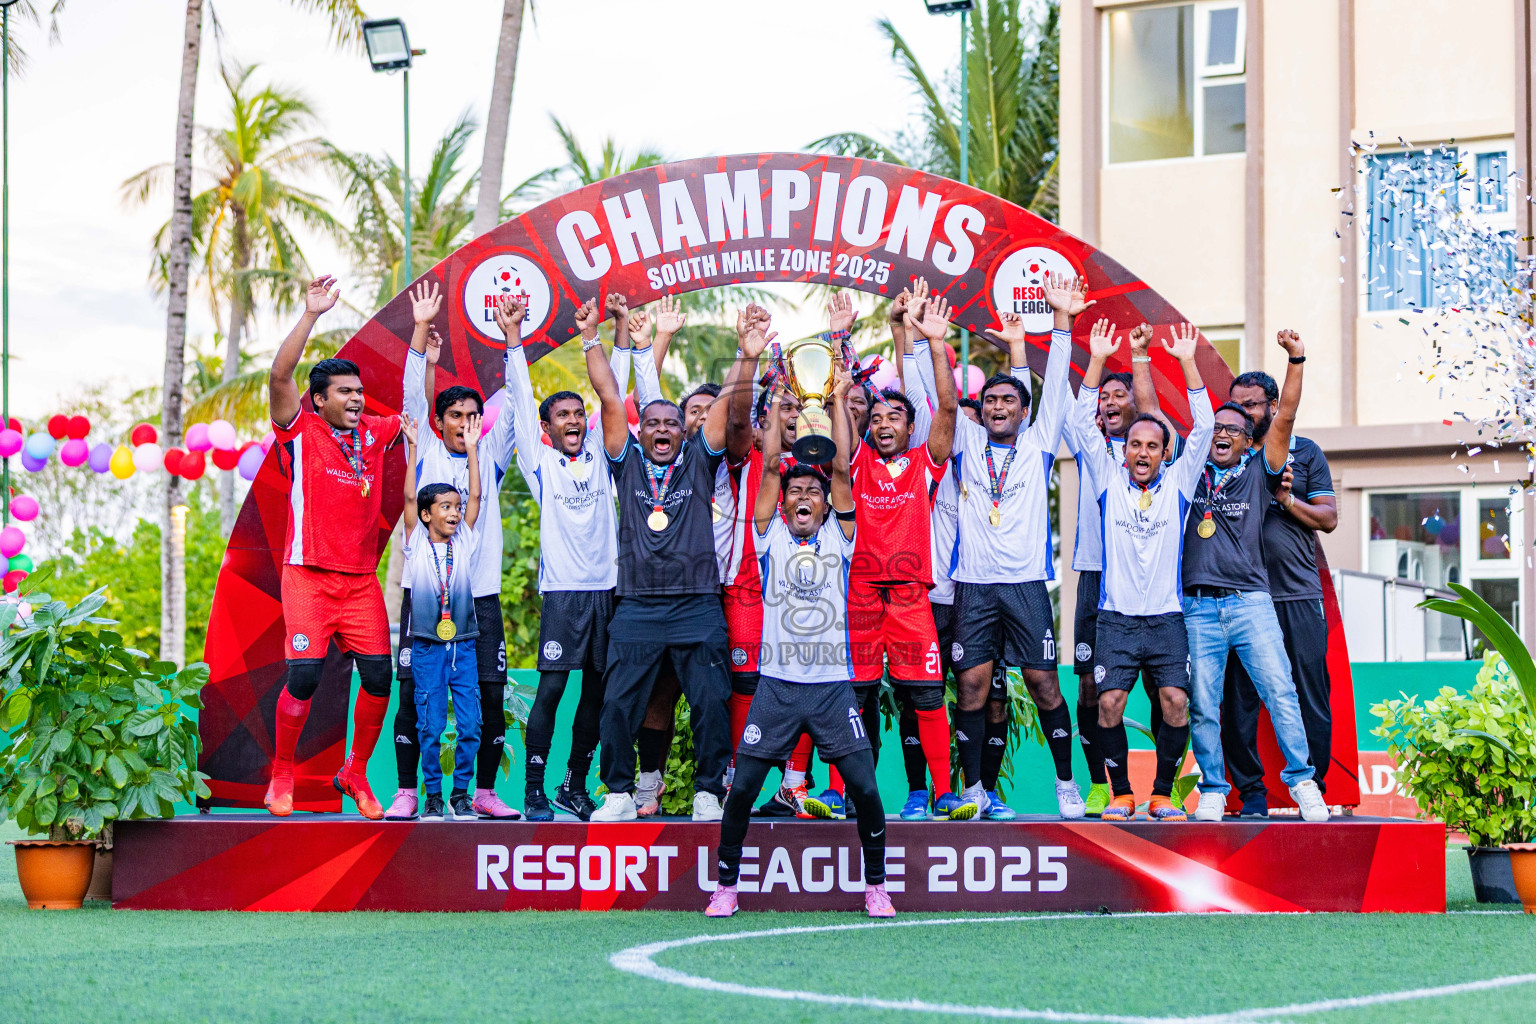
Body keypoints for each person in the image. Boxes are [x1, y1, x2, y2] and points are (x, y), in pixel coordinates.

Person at [707, 365, 894, 919]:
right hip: (778, 690)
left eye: (814, 490)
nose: (807, 495)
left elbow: (840, 467)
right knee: (740, 792)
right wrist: (773, 402)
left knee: (864, 789)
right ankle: (726, 887)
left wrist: (837, 399)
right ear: (784, 504)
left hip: (833, 691)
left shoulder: (839, 534)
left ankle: (876, 887)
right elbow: (767, 468)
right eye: (797, 491)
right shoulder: (768, 539)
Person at [587, 298, 758, 822]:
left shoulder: (700, 465)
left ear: (685, 432)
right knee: (618, 704)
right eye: (653, 424)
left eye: (671, 424)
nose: (662, 430)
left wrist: (744, 354)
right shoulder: (626, 464)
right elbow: (610, 395)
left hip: (696, 606)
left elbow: (728, 406)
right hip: (637, 606)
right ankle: (619, 792)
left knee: (710, 703)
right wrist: (593, 338)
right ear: (640, 433)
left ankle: (709, 790)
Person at [804, 289, 972, 822]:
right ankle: (836, 791)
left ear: (908, 424)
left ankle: (944, 793)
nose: (882, 423)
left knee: (924, 698)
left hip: (910, 602)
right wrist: (838, 341)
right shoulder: (854, 464)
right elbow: (839, 407)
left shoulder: (928, 461)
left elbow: (946, 407)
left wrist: (935, 343)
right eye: (876, 417)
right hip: (860, 599)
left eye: (894, 416)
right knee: (852, 698)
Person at [504, 293, 663, 821]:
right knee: (552, 690)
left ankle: (574, 783)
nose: (573, 420)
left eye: (577, 414)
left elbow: (611, 390)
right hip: (564, 594)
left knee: (598, 693)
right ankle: (533, 789)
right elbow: (522, 403)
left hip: (609, 591)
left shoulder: (599, 451)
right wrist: (513, 339)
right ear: (548, 430)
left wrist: (613, 327)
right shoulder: (541, 463)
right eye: (562, 416)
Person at [949, 271, 1088, 818]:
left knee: (1042, 683)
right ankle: (975, 790)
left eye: (1009, 399)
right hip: (974, 587)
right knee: (974, 689)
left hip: (1027, 586)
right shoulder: (965, 440)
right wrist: (931, 342)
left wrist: (1058, 321)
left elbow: (1053, 385)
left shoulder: (1037, 444)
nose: (998, 406)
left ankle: (1065, 783)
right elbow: (929, 395)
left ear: (1024, 411)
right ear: (980, 411)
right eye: (990, 401)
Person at [263, 275, 402, 819]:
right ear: (317, 401)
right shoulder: (299, 430)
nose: (355, 399)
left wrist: (420, 341)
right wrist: (311, 315)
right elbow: (279, 375)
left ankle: (356, 771)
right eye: (343, 392)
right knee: (305, 676)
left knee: (378, 678)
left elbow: (416, 408)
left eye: (358, 391)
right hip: (308, 576)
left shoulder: (375, 430)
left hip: (361, 581)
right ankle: (281, 772)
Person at [1182, 330, 1329, 823]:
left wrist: (1297, 359)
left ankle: (1304, 782)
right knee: (1205, 704)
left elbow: (1284, 416)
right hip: (1198, 606)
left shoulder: (1259, 469)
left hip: (1250, 602)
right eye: (1215, 426)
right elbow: (1149, 418)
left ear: (1248, 440)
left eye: (1232, 428)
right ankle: (1214, 789)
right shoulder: (1188, 473)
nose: (1221, 432)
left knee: (1282, 694)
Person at [386, 281, 519, 821]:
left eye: (473, 416)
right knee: (414, 697)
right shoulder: (425, 459)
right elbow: (413, 400)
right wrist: (420, 331)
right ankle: (409, 792)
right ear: (441, 422)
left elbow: (515, 408)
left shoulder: (488, 457)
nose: (467, 423)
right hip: (423, 601)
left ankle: (482, 792)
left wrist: (512, 336)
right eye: (457, 416)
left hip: (480, 600)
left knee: (487, 702)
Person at [1071, 320, 1212, 820]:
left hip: (1167, 619)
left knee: (1174, 701)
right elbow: (1079, 422)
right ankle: (1122, 794)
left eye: (1153, 446)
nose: (1143, 454)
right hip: (1116, 619)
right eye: (1135, 446)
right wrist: (1095, 360)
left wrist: (1189, 362)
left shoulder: (1179, 485)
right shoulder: (1107, 477)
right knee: (1107, 704)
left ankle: (1162, 793)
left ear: (1164, 453)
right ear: (1123, 451)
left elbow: (1207, 429)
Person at [1221, 370, 1338, 817]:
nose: (1245, 413)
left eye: (1252, 404)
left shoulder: (1305, 453)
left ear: (1273, 406)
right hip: (1240, 599)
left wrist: (1288, 501)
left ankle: (1316, 790)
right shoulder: (1224, 456)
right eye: (1238, 405)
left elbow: (1328, 519)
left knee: (1310, 695)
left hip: (1297, 596)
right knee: (1239, 701)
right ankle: (1250, 794)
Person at [400, 411, 485, 820]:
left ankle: (461, 794)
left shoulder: (465, 541)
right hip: (429, 649)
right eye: (445, 507)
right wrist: (414, 447)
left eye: (456, 506)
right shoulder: (415, 543)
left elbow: (477, 499)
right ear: (426, 515)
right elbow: (406, 499)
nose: (454, 513)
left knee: (470, 727)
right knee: (430, 727)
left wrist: (472, 452)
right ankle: (432, 794)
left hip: (464, 647)